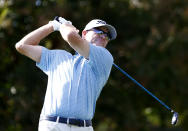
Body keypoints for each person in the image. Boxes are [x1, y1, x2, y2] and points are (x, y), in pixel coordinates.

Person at [15, 16, 117, 131]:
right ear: (84, 34)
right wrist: (52, 26)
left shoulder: (105, 57)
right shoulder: (58, 56)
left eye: (107, 36)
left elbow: (70, 36)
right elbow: (22, 46)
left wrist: (65, 26)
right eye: (99, 32)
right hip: (52, 125)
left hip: (83, 127)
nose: (104, 37)